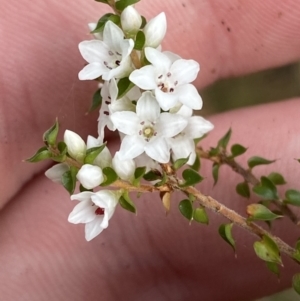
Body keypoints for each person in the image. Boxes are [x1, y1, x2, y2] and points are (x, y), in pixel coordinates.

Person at [0, 0, 300, 300]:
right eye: (163, 82)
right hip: (139, 139)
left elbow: (170, 106)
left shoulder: (158, 86)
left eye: (168, 83)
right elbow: (125, 115)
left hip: (155, 127)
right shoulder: (138, 96)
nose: (165, 83)